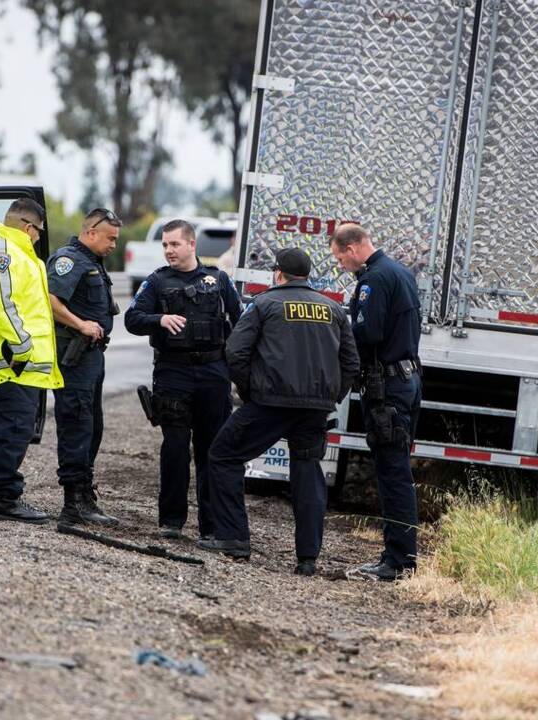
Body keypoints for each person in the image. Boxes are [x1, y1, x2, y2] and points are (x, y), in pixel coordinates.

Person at [200, 248, 359, 576]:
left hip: (270, 403)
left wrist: (249, 391)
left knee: (223, 455)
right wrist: (330, 396)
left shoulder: (264, 304)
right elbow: (351, 363)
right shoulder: (332, 309)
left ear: (278, 273)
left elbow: (235, 351)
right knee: (307, 470)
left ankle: (234, 539)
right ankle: (307, 558)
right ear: (307, 274)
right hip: (315, 408)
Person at [124, 219, 242, 539]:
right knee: (175, 449)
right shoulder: (157, 282)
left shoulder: (218, 280)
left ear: (192, 244)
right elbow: (132, 319)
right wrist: (159, 319)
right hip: (173, 372)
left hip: (213, 373)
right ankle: (172, 521)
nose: (168, 250)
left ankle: (211, 526)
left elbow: (241, 320)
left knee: (210, 450)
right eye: (164, 245)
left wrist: (237, 365)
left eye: (174, 244)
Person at [329, 223, 423, 581]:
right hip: (406, 380)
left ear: (352, 248)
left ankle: (398, 562)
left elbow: (367, 334)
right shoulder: (399, 271)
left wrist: (336, 341)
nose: (340, 265)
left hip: (388, 387)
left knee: (392, 472)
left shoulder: (375, 279)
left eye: (340, 258)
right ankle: (399, 557)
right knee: (396, 470)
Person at [0, 198, 63, 523]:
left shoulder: (16, 252)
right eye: (38, 231)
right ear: (27, 226)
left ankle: (1, 492)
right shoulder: (1, 252)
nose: (38, 237)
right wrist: (22, 349)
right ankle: (5, 499)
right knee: (14, 429)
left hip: (13, 364)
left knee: (7, 429)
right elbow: (2, 305)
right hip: (10, 364)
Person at [47, 207, 122, 527]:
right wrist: (81, 324)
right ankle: (73, 503)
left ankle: (85, 495)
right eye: (110, 238)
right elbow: (49, 299)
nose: (114, 245)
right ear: (91, 233)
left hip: (92, 356)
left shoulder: (92, 261)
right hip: (74, 356)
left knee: (92, 427)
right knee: (77, 424)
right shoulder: (69, 260)